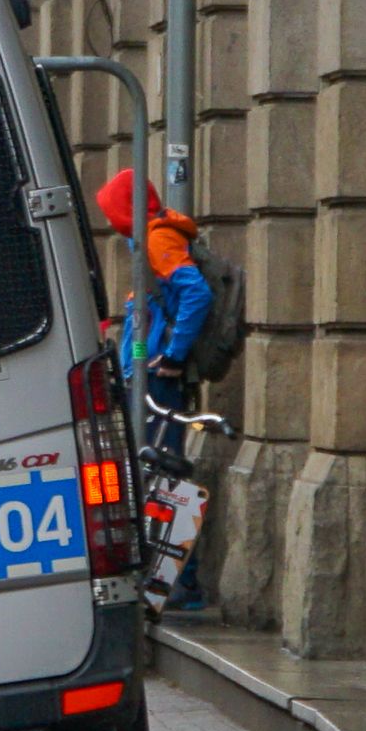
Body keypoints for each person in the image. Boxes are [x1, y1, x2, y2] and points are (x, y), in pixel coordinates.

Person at [95, 168, 213, 608]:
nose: (109, 222)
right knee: (156, 480)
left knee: (163, 482)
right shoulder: (148, 239)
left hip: (158, 382)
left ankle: (181, 585)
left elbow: (195, 294)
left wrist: (174, 355)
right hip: (146, 377)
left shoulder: (158, 239)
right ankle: (174, 582)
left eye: (112, 212)